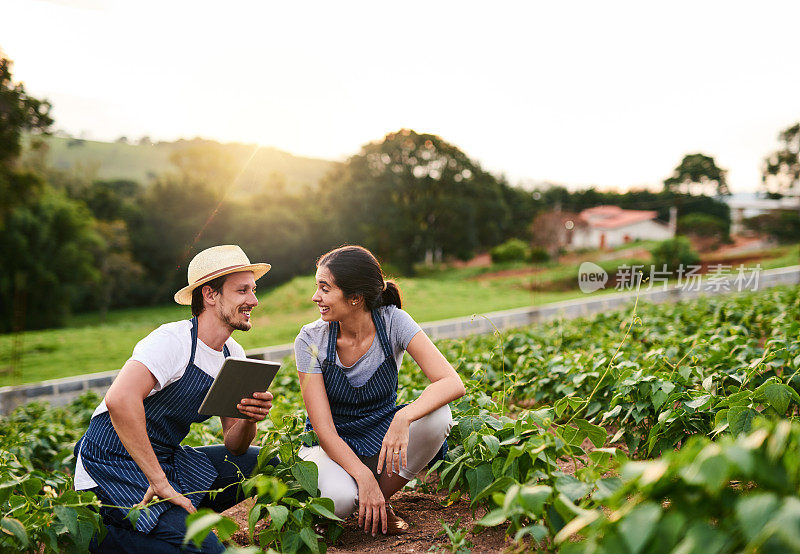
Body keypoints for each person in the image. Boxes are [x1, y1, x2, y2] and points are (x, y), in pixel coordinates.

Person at [73, 245, 274, 553]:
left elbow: (236, 445)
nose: (253, 300)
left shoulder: (232, 354)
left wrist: (250, 417)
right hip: (111, 462)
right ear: (210, 294)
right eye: (242, 291)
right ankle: (106, 536)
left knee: (264, 462)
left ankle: (168, 523)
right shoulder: (172, 342)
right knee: (207, 550)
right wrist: (160, 481)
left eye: (253, 290)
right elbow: (120, 400)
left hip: (165, 458)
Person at [294, 245, 466, 537]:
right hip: (330, 444)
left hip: (381, 435)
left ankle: (377, 500)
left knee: (439, 416)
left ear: (355, 298)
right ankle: (363, 496)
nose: (316, 297)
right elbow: (324, 431)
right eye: (317, 287)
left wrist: (403, 418)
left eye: (325, 288)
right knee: (339, 501)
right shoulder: (310, 340)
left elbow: (451, 382)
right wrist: (364, 476)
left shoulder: (393, 322)